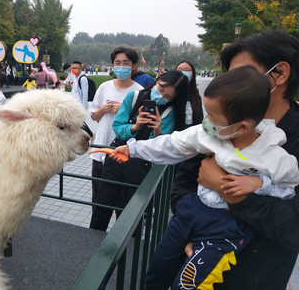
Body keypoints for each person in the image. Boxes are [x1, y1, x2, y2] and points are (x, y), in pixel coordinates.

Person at [111, 66, 299, 289]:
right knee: (159, 265)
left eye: (212, 116)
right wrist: (132, 149)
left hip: (226, 227)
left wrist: (260, 183)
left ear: (241, 127)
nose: (206, 121)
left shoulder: (274, 157)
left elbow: (288, 188)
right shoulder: (207, 134)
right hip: (193, 209)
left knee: (191, 283)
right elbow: (173, 144)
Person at [169, 30, 299, 290]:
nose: (232, 82)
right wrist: (190, 227)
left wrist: (228, 190)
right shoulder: (220, 124)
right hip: (193, 263)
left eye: (241, 73)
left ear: (280, 74)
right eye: (229, 75)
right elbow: (183, 182)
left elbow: (293, 225)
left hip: (256, 276)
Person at [89, 70, 189, 231]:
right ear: (158, 80)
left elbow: (162, 145)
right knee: (103, 202)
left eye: (168, 97)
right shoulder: (134, 97)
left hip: (141, 164)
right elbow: (118, 127)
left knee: (132, 209)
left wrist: (157, 131)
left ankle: (128, 249)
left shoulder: (170, 112)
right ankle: (90, 239)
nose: (161, 96)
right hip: (117, 153)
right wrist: (135, 126)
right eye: (161, 89)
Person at [89, 47, 144, 207]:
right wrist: (103, 109)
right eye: (117, 63)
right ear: (112, 65)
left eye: (126, 63)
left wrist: (123, 110)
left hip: (125, 152)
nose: (121, 67)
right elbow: (94, 116)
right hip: (101, 149)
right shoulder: (105, 87)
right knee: (99, 198)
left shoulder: (139, 92)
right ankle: (96, 231)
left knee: (122, 199)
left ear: (134, 65)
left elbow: (141, 125)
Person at [176, 60, 203, 127]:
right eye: (179, 70)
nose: (183, 72)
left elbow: (200, 118)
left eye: (187, 70)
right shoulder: (170, 93)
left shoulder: (196, 95)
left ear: (193, 75)